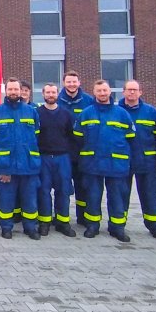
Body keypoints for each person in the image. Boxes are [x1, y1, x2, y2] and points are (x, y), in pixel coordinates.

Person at [73, 80, 135, 242]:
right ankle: (92, 225)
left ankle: (117, 227)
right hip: (92, 163)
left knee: (117, 196)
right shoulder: (86, 113)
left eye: (104, 90)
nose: (102, 93)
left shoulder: (122, 114)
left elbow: (131, 138)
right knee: (92, 196)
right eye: (99, 91)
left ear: (110, 92)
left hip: (116, 163)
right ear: (94, 92)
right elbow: (78, 138)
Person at [0, 78, 41, 240]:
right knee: (6, 200)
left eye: (16, 89)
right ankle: (6, 228)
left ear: (21, 91)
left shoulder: (32, 111)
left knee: (30, 200)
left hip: (29, 164)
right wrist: (2, 165)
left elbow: (36, 135)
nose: (13, 92)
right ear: (6, 91)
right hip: (7, 165)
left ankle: (30, 228)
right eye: (10, 89)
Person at [118, 80, 156, 239]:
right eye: (129, 90)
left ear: (140, 92)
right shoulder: (116, 111)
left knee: (150, 194)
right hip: (123, 161)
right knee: (121, 194)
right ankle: (119, 225)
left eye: (135, 90)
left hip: (147, 162)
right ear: (123, 92)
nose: (132, 93)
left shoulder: (151, 112)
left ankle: (154, 226)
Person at [36, 83, 77, 237]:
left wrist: (71, 157)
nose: (51, 95)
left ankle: (63, 222)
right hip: (44, 157)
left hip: (62, 158)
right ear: (43, 94)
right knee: (44, 191)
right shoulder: (37, 113)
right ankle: (44, 222)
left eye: (53, 92)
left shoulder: (66, 114)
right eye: (48, 92)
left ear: (58, 94)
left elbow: (72, 137)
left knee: (63, 191)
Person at [57, 71, 95, 227]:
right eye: (68, 82)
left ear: (79, 83)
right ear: (64, 83)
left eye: (74, 82)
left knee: (83, 187)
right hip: (64, 152)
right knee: (63, 187)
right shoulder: (57, 101)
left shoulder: (88, 101)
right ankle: (61, 217)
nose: (71, 84)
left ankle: (82, 217)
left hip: (83, 152)